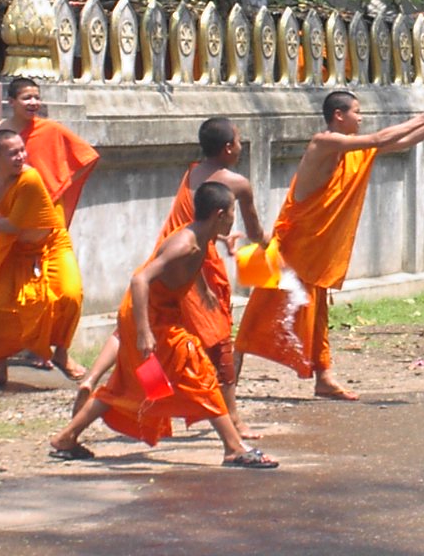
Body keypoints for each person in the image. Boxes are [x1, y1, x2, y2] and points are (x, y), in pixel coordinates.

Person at [49, 182, 278, 468]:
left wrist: (202, 287)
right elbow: (140, 280)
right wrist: (144, 333)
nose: (234, 218)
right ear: (220, 214)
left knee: (132, 386)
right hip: (148, 319)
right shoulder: (185, 244)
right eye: (232, 212)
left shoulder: (201, 236)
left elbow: (193, 260)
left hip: (155, 316)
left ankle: (66, 438)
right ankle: (233, 447)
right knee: (200, 371)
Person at [235, 92, 424, 400]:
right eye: (356, 112)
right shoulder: (324, 142)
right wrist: (422, 117)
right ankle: (229, 373)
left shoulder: (354, 150)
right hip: (293, 248)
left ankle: (324, 378)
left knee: (317, 313)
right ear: (338, 115)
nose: (360, 118)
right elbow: (379, 138)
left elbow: (398, 143)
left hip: (315, 249)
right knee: (261, 312)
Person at [74, 117, 265, 439]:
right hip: (159, 308)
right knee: (212, 350)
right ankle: (231, 428)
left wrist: (219, 241)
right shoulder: (196, 235)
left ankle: (94, 394)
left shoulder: (194, 179)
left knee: (139, 376)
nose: (242, 145)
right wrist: (269, 244)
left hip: (159, 301)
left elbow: (198, 224)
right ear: (229, 147)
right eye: (240, 139)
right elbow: (141, 281)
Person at [0, 77, 98, 377]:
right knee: (5, 300)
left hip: (47, 226)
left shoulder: (47, 137)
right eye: (26, 98)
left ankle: (59, 351)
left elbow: (86, 157)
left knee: (69, 294)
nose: (33, 103)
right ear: (11, 100)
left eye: (36, 97)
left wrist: (59, 185)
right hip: (14, 230)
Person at [0, 129, 83, 389]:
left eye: (22, 150)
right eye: (12, 153)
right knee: (0, 309)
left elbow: (14, 224)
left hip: (51, 243)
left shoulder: (30, 177)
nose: (21, 157)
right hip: (16, 249)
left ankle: (61, 352)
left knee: (70, 295)